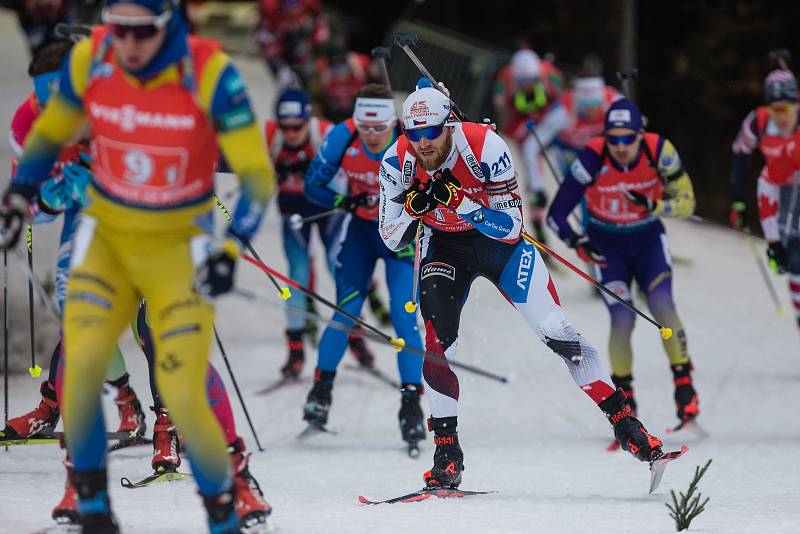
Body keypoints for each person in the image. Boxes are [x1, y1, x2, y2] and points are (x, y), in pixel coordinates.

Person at [0, 1, 275, 531]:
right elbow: (46, 136)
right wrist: (18, 198)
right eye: (118, 28)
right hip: (106, 234)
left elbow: (257, 175)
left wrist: (231, 247)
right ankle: (93, 509)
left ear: (168, 21)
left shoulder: (208, 69)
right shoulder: (92, 59)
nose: (128, 43)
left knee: (183, 381)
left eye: (141, 31)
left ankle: (228, 496)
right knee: (79, 365)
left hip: (176, 241)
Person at [379, 79, 664, 489]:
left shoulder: (486, 148)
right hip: (443, 247)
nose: (422, 143)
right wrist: (414, 208)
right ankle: (447, 453)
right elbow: (390, 237)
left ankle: (626, 424)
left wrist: (462, 203)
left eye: (431, 132)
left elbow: (511, 229)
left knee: (556, 333)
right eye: (413, 134)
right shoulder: (396, 161)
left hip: (498, 246)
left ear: (450, 124)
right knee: (438, 345)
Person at [2, 39, 149, 446]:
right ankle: (124, 403)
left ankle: (171, 422)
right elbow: (32, 206)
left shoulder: (120, 104)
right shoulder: (26, 123)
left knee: (152, 319)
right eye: (43, 104)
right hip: (85, 217)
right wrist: (49, 197)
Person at [547, 98, 700, 429]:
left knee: (662, 305)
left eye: (627, 138)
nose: (619, 146)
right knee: (622, 318)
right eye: (613, 138)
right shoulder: (593, 155)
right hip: (606, 246)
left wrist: (654, 205)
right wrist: (577, 241)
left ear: (640, 134)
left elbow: (688, 203)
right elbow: (556, 213)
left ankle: (685, 386)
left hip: (647, 242)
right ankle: (625, 397)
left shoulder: (659, 150)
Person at [302, 83, 425, 451]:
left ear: (394, 122)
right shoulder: (343, 135)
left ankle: (411, 406)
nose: (372, 136)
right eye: (365, 127)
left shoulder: (409, 137)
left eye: (380, 128)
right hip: (359, 235)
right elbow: (312, 184)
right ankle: (320, 392)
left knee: (404, 319)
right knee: (345, 311)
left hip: (400, 236)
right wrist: (343, 199)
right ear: (356, 121)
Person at [265, 87, 376, 378]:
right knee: (297, 276)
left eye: (297, 126)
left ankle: (355, 334)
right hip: (293, 213)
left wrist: (318, 171)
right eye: (285, 127)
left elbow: (355, 161)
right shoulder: (270, 137)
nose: (290, 133)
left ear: (308, 120)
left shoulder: (325, 132)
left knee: (338, 268)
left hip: (328, 212)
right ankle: (295, 349)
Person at [493, 48, 566, 243]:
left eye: (532, 81)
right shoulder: (505, 81)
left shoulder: (550, 74)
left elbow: (565, 104)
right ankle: (537, 212)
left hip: (549, 123)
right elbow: (505, 119)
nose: (527, 86)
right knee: (529, 155)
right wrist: (519, 129)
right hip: (526, 128)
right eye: (522, 83)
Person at [730, 70, 800, 231]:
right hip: (779, 190)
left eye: (786, 109)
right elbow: (740, 156)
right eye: (775, 110)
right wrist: (738, 200)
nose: (781, 118)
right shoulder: (757, 122)